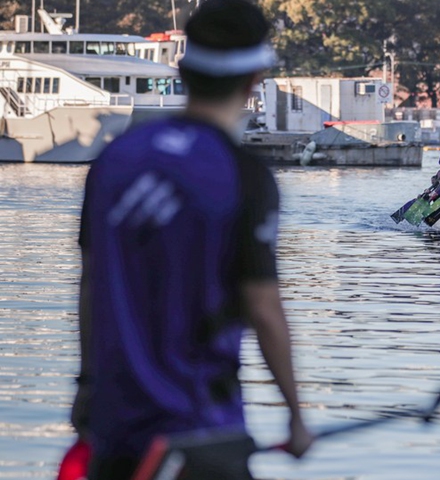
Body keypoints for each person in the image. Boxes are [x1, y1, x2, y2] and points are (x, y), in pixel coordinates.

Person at [69, 1, 312, 478]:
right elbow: (262, 305)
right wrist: (297, 416)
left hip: (114, 427)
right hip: (199, 429)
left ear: (183, 68)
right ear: (254, 79)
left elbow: (91, 284)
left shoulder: (114, 161)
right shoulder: (243, 175)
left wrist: (86, 391)